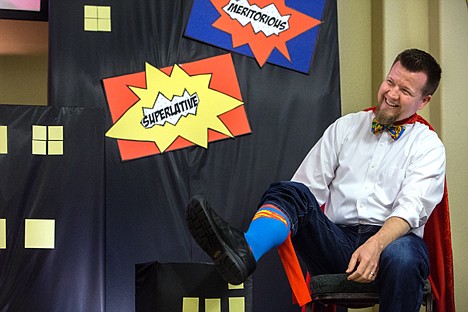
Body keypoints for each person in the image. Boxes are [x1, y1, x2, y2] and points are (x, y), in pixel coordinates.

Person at [186, 48, 444, 312]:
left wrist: (375, 245)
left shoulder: (428, 145)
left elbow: (411, 208)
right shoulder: (345, 127)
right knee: (291, 192)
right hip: (337, 244)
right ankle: (246, 251)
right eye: (390, 82)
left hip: (394, 243)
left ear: (423, 101)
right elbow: (306, 190)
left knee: (402, 255)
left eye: (405, 91)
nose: (391, 94)